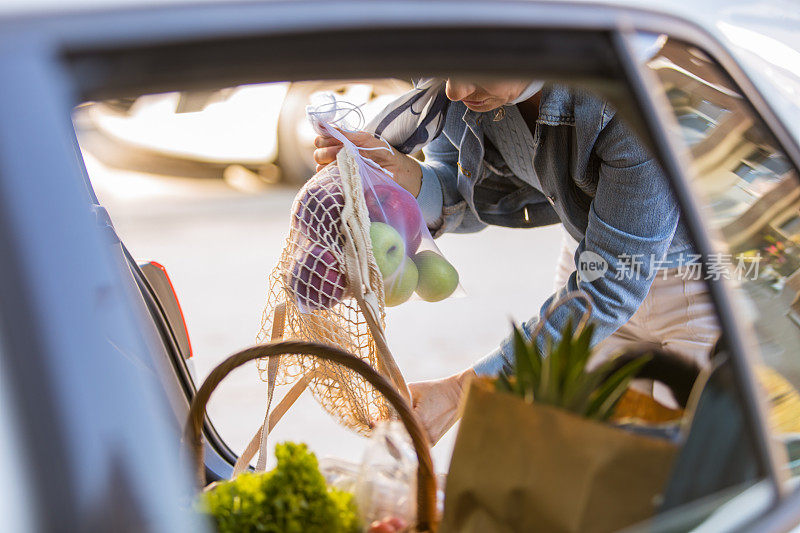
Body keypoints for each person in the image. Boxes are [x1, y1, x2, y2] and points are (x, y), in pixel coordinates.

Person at [313, 79, 719, 444]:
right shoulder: (459, 90)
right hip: (588, 265)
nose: (456, 90)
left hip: (688, 293)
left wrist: (460, 392)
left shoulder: (624, 110)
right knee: (575, 461)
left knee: (670, 479)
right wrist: (403, 173)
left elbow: (611, 289)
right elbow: (471, 191)